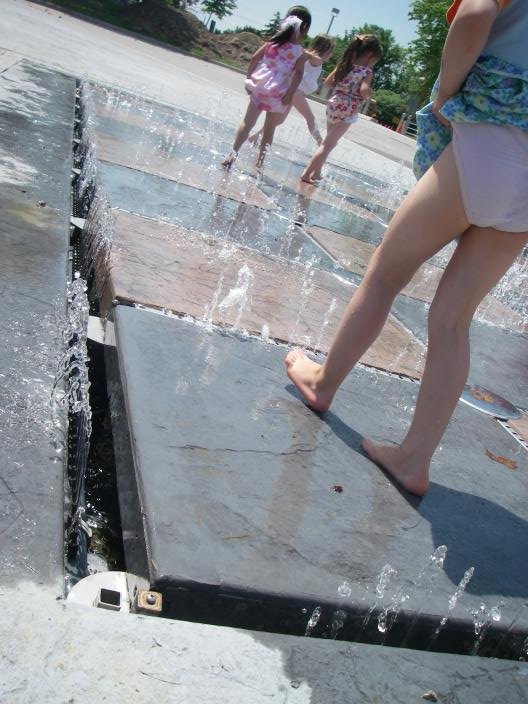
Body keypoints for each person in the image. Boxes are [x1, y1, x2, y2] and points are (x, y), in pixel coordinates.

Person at [285, 0, 528, 496]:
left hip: (490, 134)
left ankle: (323, 382)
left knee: (384, 276)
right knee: (453, 319)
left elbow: (475, 14)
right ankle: (414, 458)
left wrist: (445, 95)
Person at [221, 6, 312, 170]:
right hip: (278, 92)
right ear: (304, 29)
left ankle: (232, 154)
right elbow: (298, 74)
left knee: (247, 123)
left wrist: (249, 79)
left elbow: (255, 58)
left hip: (260, 86)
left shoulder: (272, 42)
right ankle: (259, 164)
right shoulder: (300, 52)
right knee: (269, 129)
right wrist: (290, 93)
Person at [300, 34, 382, 184]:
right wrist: (369, 93)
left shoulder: (345, 65)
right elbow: (364, 91)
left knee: (329, 142)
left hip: (333, 105)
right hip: (347, 111)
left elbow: (328, 83)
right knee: (327, 145)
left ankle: (317, 173)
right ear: (370, 55)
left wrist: (343, 85)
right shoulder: (367, 72)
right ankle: (307, 173)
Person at [248, 34, 336, 148]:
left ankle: (255, 137)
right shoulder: (317, 60)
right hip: (296, 93)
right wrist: (301, 50)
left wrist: (300, 51)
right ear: (326, 50)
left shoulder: (309, 58)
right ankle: (322, 144)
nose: (332, 54)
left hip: (293, 91)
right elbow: (312, 56)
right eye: (331, 50)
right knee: (310, 118)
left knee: (279, 120)